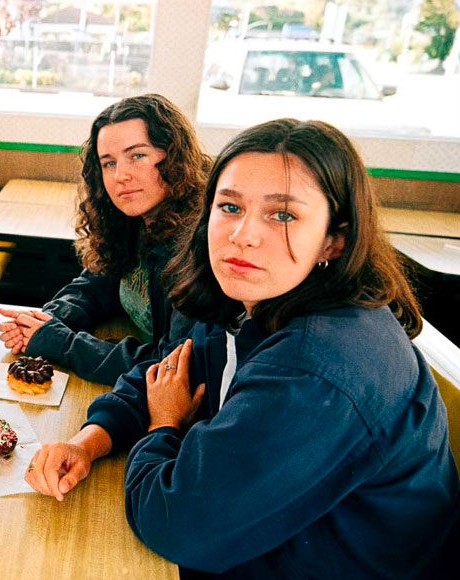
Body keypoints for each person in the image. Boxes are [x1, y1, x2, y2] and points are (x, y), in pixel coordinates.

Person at [26, 119, 459, 577]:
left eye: (283, 215)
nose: (243, 234)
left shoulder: (319, 365)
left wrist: (164, 425)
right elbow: (169, 371)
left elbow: (176, 524)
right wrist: (89, 442)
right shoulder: (244, 296)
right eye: (230, 207)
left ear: (335, 238)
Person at [0, 95, 210, 385]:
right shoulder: (133, 219)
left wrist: (62, 343)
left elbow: (171, 368)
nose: (121, 175)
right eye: (109, 163)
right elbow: (98, 283)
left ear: (175, 157)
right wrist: (47, 321)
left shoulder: (200, 248)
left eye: (137, 156)